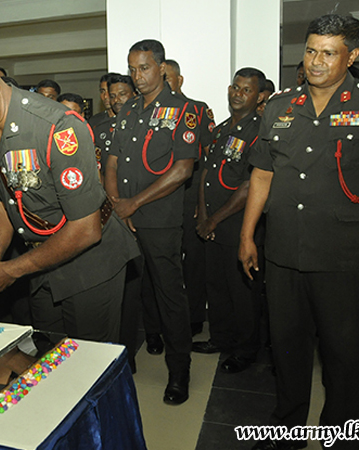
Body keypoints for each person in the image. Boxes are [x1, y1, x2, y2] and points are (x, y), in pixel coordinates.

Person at [0, 45, 139, 343]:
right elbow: (1, 204)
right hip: (42, 261)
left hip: (91, 264)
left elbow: (86, 229)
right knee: (47, 352)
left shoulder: (58, 127)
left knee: (87, 360)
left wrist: (11, 270)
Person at [240, 14, 359, 450]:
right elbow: (262, 174)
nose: (316, 61)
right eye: (311, 50)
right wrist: (247, 235)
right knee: (287, 350)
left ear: (352, 55)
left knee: (344, 355)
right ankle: (288, 430)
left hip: (344, 257)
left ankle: (342, 435)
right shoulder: (280, 106)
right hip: (284, 253)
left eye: (329, 53)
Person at [105, 40, 198, 405]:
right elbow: (112, 162)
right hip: (124, 218)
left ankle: (179, 371)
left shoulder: (184, 110)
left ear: (161, 68)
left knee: (169, 295)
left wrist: (134, 204)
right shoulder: (128, 110)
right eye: (132, 69)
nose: (137, 76)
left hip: (159, 220)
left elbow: (183, 170)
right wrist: (118, 205)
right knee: (128, 293)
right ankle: (124, 359)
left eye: (144, 68)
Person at [193, 68, 267, 374]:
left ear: (259, 97)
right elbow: (206, 173)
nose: (238, 94)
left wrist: (214, 219)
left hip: (239, 225)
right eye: (235, 87)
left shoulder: (259, 131)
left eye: (247, 90)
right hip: (213, 224)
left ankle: (246, 349)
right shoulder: (222, 129)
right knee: (217, 286)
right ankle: (220, 338)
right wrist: (203, 214)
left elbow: (250, 186)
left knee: (242, 292)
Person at [164, 58, 216, 339]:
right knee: (165, 261)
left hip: (190, 195)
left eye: (168, 79)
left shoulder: (196, 109)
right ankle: (167, 319)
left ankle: (195, 317)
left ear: (179, 80)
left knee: (194, 262)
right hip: (161, 197)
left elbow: (210, 157)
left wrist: (202, 200)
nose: (164, 84)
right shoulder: (152, 112)